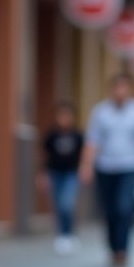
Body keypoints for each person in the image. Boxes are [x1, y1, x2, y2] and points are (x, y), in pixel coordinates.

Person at [79, 73, 134, 267]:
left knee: (124, 208)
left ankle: (122, 250)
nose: (120, 92)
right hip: (105, 167)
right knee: (110, 210)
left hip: (129, 166)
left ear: (129, 90)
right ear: (111, 90)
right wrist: (86, 166)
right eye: (117, 88)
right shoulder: (100, 112)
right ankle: (113, 247)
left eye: (124, 88)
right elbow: (92, 142)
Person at [41, 101, 84, 255]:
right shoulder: (52, 135)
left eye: (67, 116)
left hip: (71, 174)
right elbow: (46, 156)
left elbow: (83, 155)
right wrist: (44, 174)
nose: (64, 119)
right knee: (58, 205)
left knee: (67, 203)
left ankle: (69, 233)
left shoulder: (77, 135)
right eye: (61, 115)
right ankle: (61, 235)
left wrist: (83, 169)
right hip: (55, 173)